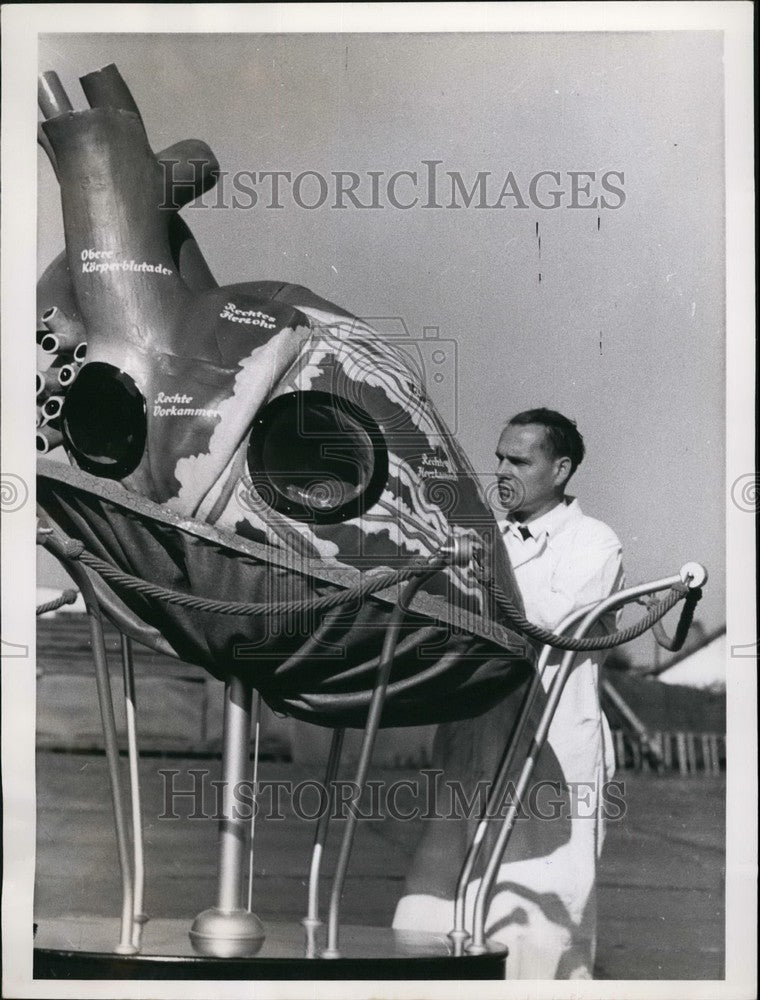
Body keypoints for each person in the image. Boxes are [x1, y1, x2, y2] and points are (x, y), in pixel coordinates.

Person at [392, 408, 624, 979]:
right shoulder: (480, 539)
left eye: (518, 460)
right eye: (497, 456)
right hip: (471, 741)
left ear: (561, 469)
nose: (500, 470)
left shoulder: (595, 543)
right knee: (425, 916)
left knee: (535, 930)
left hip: (548, 759)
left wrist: (471, 578)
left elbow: (547, 625)